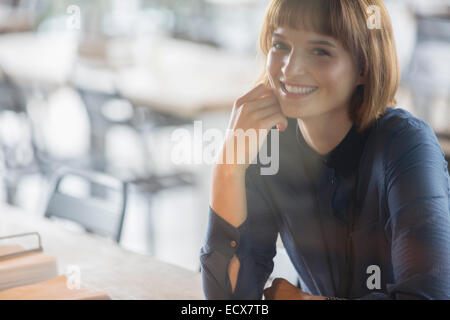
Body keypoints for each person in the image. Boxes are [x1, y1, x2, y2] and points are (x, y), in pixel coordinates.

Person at [200, 0, 450, 300]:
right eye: (280, 45)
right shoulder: (270, 145)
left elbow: (428, 296)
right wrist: (228, 166)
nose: (290, 68)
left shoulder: (407, 145)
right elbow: (230, 301)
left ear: (364, 67)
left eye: (320, 51)